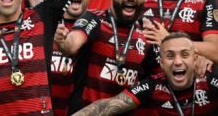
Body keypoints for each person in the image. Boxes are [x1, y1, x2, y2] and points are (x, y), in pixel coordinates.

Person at [54, 0, 157, 114]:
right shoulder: (94, 19)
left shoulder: (147, 32)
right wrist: (62, 41)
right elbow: (71, 44)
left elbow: (160, 76)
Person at [71, 32, 218, 115]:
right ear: (161, 63)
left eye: (185, 55)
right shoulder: (154, 85)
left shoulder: (212, 78)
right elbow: (105, 107)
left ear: (195, 59)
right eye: (170, 56)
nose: (178, 62)